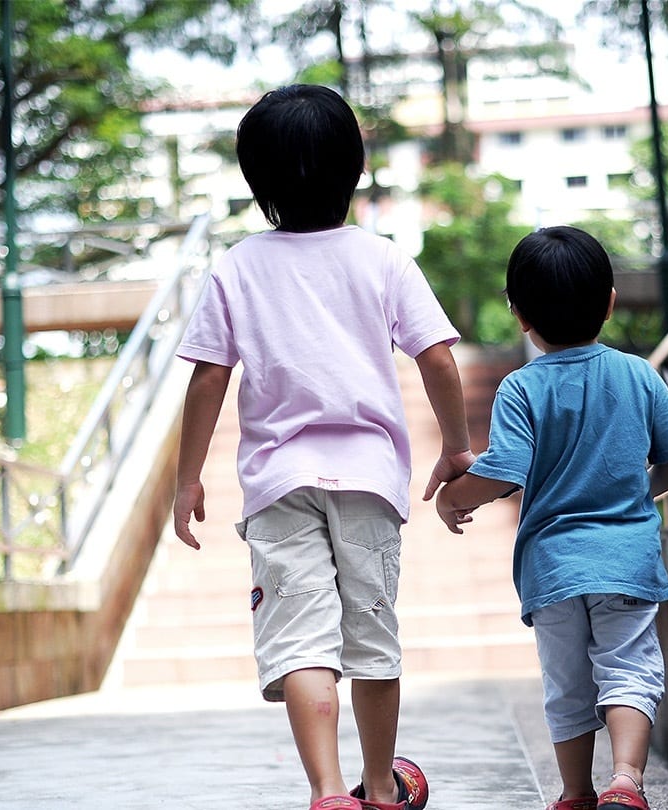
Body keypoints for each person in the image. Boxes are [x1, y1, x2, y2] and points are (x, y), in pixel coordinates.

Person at [173, 84, 473, 810]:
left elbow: (210, 376)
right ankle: (379, 787)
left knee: (301, 641)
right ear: (356, 168)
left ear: (257, 181)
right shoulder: (384, 259)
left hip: (278, 485)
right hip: (368, 480)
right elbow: (436, 358)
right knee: (370, 636)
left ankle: (329, 791)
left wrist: (187, 480)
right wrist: (456, 447)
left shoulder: (237, 266)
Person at [431, 226, 668, 810]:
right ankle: (626, 781)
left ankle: (577, 792)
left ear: (519, 316)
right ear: (609, 302)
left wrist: (454, 498)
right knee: (629, 668)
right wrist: (641, 492)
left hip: (553, 569)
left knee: (567, 685)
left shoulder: (521, 388)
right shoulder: (636, 374)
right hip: (625, 559)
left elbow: (505, 468)